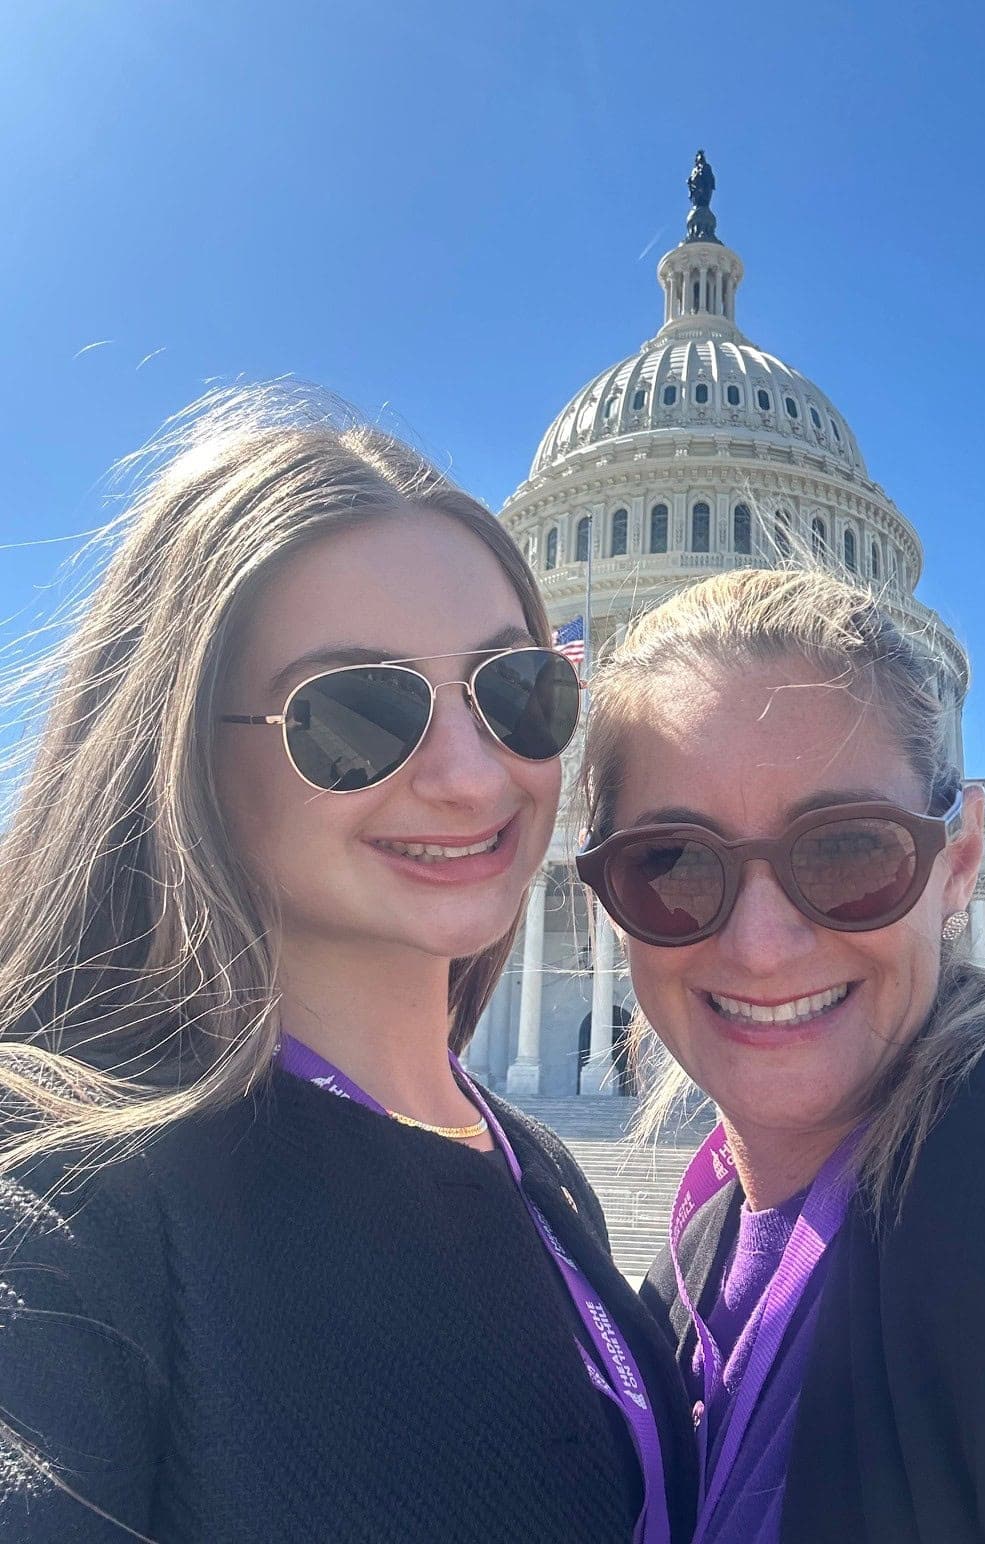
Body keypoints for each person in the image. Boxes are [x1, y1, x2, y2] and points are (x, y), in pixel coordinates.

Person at [0, 385, 696, 1543]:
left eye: (519, 692)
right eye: (358, 712)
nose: (474, 777)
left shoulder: (536, 1170)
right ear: (186, 748)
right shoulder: (68, 1192)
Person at [576, 563, 985, 1544]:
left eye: (848, 848)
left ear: (958, 859)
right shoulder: (675, 1289)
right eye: (670, 862)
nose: (762, 943)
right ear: (606, 899)